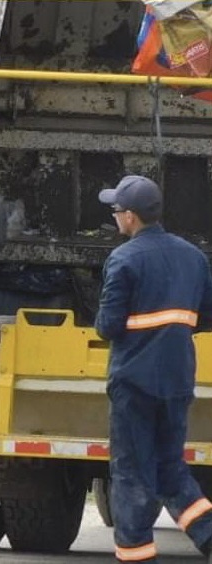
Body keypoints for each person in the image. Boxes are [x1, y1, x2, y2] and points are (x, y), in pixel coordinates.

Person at [95, 175, 212, 563]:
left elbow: (107, 326)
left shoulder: (124, 258)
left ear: (130, 218)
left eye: (116, 211)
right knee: (170, 468)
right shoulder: (193, 257)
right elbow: (205, 315)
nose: (114, 217)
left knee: (130, 474)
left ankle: (135, 556)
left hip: (134, 382)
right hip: (177, 380)